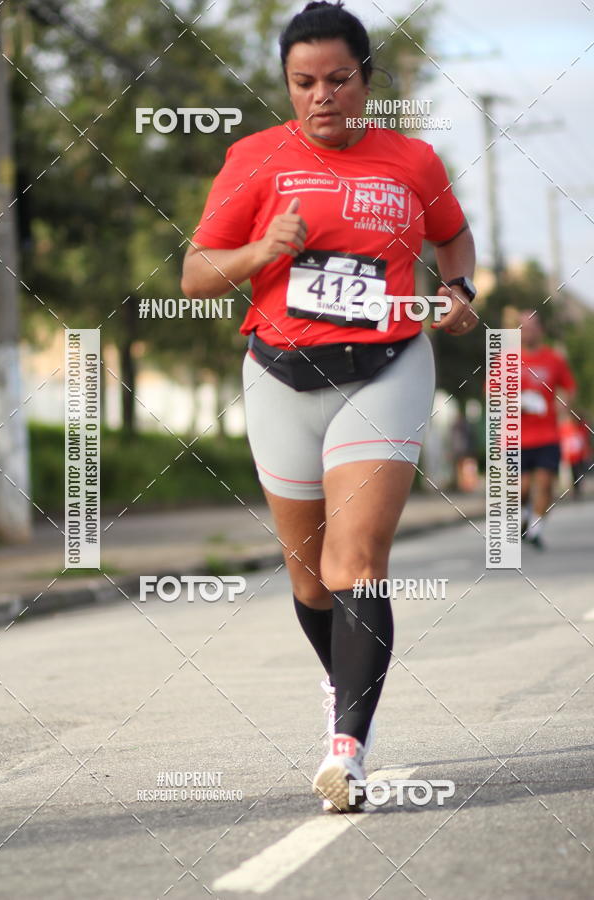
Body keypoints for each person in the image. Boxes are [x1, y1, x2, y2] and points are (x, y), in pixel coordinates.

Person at [181, 0, 478, 812]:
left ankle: (347, 749)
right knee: (311, 580)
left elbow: (453, 237)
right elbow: (196, 274)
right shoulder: (253, 160)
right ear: (287, 84)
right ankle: (341, 686)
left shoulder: (411, 161)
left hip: (387, 366)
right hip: (278, 373)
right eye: (303, 82)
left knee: (358, 561)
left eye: (338, 80)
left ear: (366, 80)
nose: (322, 96)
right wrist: (262, 250)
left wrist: (458, 290)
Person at [519, 310, 576, 548]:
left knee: (544, 483)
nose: (528, 331)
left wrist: (563, 406)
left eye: (532, 326)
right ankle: (523, 517)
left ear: (540, 330)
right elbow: (491, 391)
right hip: (516, 436)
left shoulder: (553, 359)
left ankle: (535, 530)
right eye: (523, 327)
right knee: (520, 488)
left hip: (547, 434)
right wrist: (516, 402)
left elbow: (569, 387)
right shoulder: (507, 359)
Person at [559, 413, 592, 498]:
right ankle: (574, 489)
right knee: (573, 472)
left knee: (579, 471)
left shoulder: (581, 428)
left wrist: (587, 452)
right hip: (570, 456)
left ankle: (578, 488)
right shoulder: (564, 428)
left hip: (580, 455)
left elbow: (585, 441)